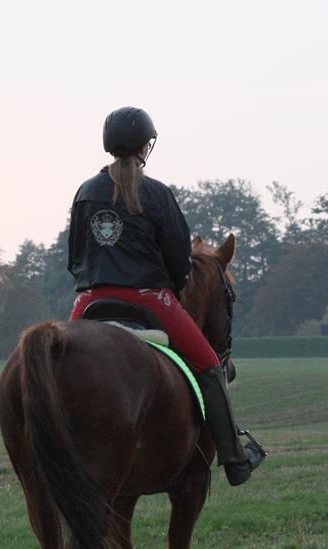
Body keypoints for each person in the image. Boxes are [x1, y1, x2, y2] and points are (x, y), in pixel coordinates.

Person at [67, 106, 265, 486]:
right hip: (148, 298)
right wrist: (170, 287)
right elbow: (178, 259)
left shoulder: (85, 193)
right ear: (146, 146)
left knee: (62, 358)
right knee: (209, 365)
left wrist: (94, 281)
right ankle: (235, 459)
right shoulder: (156, 194)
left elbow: (75, 257)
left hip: (90, 300)